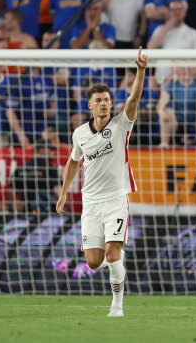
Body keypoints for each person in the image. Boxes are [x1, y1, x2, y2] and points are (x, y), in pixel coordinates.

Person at [56, 47, 149, 318]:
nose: (104, 104)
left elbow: (134, 97)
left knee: (111, 254)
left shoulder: (121, 125)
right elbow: (74, 161)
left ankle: (117, 305)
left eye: (107, 100)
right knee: (94, 262)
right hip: (90, 202)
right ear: (90, 105)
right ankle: (115, 269)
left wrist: (140, 70)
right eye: (98, 100)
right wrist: (63, 193)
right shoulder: (80, 134)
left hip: (116, 199)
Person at [156, 66, 196, 147]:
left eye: (188, 68)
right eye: (182, 68)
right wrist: (162, 113)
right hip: (176, 123)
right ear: (176, 70)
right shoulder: (171, 86)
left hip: (195, 122)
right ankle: (164, 144)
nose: (185, 71)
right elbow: (160, 105)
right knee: (167, 111)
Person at [11, 139, 62, 213]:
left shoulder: (21, 168)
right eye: (51, 150)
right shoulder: (51, 169)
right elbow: (59, 192)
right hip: (46, 211)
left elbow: (12, 193)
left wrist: (11, 209)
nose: (53, 152)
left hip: (25, 212)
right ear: (42, 150)